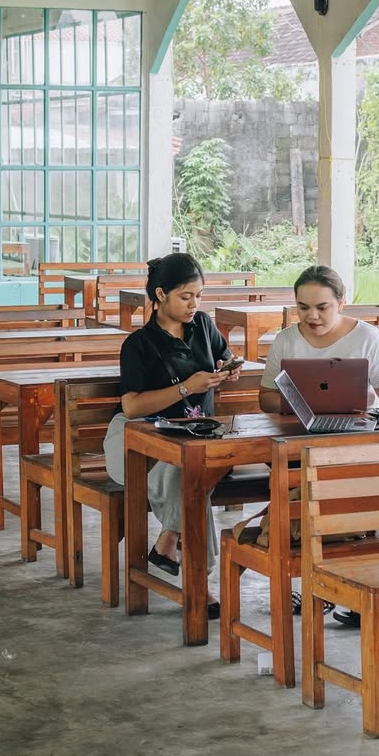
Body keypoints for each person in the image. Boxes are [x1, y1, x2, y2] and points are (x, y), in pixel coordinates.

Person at [102, 252, 237, 617]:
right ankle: (200, 583)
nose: (194, 304)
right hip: (134, 438)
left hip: (191, 436)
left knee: (187, 471)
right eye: (186, 296)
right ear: (160, 294)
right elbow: (131, 407)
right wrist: (187, 388)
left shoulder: (204, 327)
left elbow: (224, 357)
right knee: (188, 476)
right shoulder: (138, 344)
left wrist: (227, 369)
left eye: (199, 295)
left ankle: (168, 542)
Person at [259, 264, 379, 413]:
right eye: (303, 307)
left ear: (341, 304)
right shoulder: (285, 340)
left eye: (322, 308)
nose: (312, 316)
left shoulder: (368, 337)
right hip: (297, 425)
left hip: (358, 425)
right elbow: (265, 398)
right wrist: (307, 406)